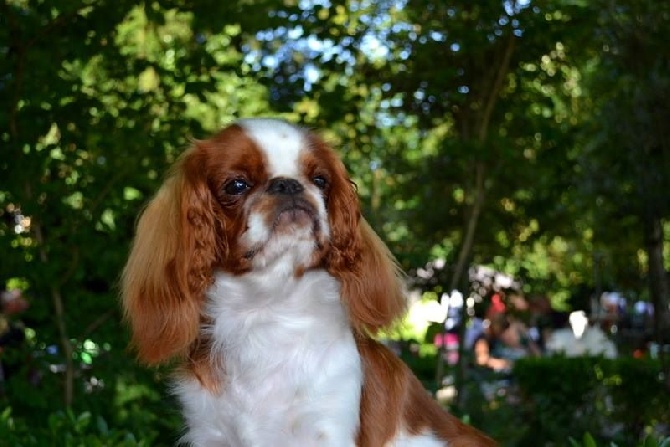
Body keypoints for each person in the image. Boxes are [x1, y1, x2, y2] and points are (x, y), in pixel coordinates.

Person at [473, 313, 540, 373]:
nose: (505, 336)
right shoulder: (483, 339)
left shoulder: (518, 337)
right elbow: (481, 360)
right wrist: (507, 364)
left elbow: (537, 355)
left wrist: (525, 336)